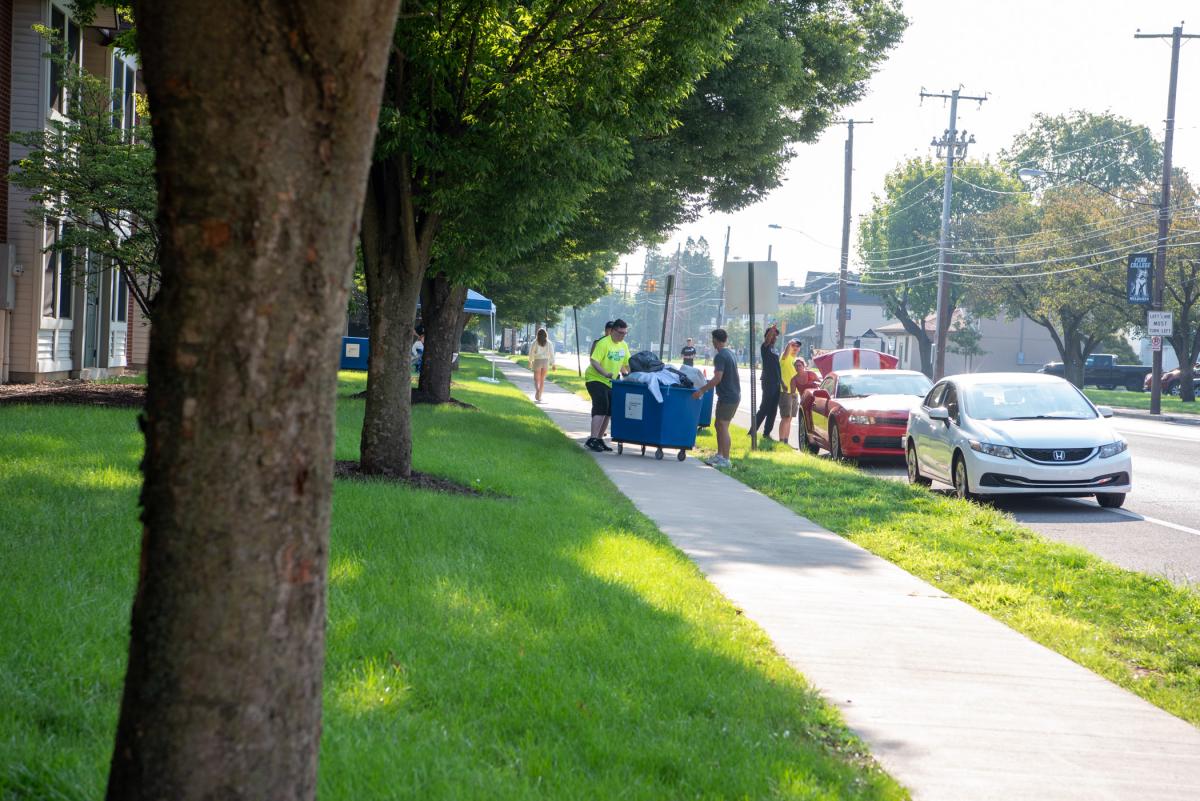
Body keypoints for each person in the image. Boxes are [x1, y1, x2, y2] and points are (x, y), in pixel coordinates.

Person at [692, 328, 739, 468]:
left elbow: (718, 378)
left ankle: (726, 459)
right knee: (718, 425)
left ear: (715, 340)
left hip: (728, 396)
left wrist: (702, 390)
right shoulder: (730, 353)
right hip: (730, 395)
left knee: (723, 426)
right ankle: (719, 455)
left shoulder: (720, 356)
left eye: (712, 340)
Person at [584, 319, 631, 452]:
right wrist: (605, 373)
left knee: (609, 410)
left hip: (611, 381)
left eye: (625, 333)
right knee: (601, 405)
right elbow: (594, 361)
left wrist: (632, 375)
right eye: (620, 333)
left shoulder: (623, 345)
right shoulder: (603, 343)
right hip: (595, 378)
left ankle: (599, 439)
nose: (622, 336)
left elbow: (627, 363)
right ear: (613, 331)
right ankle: (592, 439)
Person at [751, 325, 781, 440]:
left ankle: (767, 433)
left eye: (776, 336)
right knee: (764, 408)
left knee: (773, 409)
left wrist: (781, 382)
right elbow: (768, 339)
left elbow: (777, 367)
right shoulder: (765, 347)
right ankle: (752, 431)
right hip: (769, 383)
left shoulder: (775, 349)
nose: (775, 337)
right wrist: (771, 331)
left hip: (777, 383)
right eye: (774, 335)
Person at [776, 339, 802, 445]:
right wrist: (788, 344)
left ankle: (786, 441)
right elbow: (786, 352)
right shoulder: (785, 357)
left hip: (794, 393)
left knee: (790, 418)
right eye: (793, 345)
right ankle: (781, 441)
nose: (795, 348)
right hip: (785, 392)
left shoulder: (796, 361)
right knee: (785, 417)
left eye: (797, 346)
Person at [528, 327, 556, 402]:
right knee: (542, 380)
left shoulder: (535, 342)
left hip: (537, 361)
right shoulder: (549, 343)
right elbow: (552, 354)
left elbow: (531, 352)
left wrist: (530, 361)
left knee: (536, 379)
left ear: (538, 334)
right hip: (545, 362)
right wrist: (553, 364)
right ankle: (539, 396)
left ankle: (537, 390)